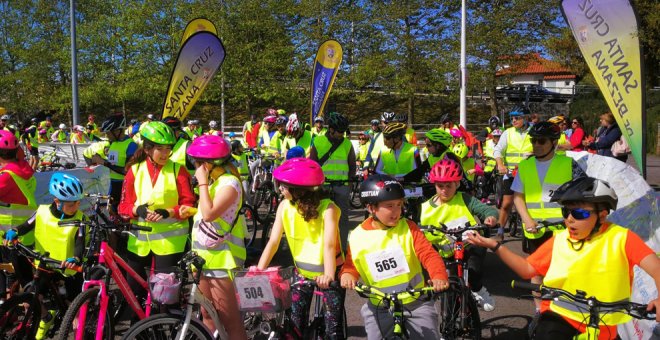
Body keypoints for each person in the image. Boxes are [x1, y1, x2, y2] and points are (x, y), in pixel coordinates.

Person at [466, 177, 660, 340]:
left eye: (579, 213)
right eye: (566, 212)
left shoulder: (622, 238)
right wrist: (495, 246)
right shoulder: (560, 239)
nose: (569, 219)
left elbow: (656, 268)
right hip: (561, 318)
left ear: (601, 215)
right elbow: (527, 269)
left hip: (603, 324)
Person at [340, 174, 449, 339]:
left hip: (415, 302)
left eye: (399, 205)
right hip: (380, 305)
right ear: (371, 208)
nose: (397, 211)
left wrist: (438, 275)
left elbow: (429, 255)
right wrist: (347, 274)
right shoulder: (357, 236)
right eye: (389, 206)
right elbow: (351, 264)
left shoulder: (408, 228)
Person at [258, 158, 345, 339]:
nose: (280, 189)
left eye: (284, 185)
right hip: (302, 272)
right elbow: (273, 241)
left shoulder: (328, 209)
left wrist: (329, 275)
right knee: (294, 323)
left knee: (332, 329)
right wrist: (259, 270)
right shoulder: (284, 206)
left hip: (331, 272)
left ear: (299, 190)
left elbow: (329, 244)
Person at [118, 121, 195, 305]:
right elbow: (123, 206)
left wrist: (168, 212)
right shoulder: (134, 170)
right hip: (139, 243)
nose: (166, 153)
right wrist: (138, 210)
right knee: (133, 294)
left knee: (165, 299)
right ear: (147, 148)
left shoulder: (178, 170)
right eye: (160, 148)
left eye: (168, 148)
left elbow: (190, 204)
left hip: (170, 244)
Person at [7, 173, 87, 339]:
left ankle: (79, 334)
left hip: (69, 267)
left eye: (79, 202)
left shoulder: (80, 219)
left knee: (75, 309)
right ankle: (45, 317)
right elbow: (25, 225)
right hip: (44, 264)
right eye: (72, 204)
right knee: (30, 299)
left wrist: (76, 258)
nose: (77, 207)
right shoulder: (42, 211)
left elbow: (80, 242)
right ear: (57, 202)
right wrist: (14, 231)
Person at [182, 135, 247, 339]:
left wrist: (201, 183)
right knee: (207, 316)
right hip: (203, 257)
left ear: (209, 163)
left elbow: (211, 213)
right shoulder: (215, 181)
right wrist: (192, 212)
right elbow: (212, 214)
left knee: (230, 320)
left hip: (223, 261)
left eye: (198, 162)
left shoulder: (230, 183)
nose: (195, 167)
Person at [420, 159, 498, 311]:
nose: (444, 190)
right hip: (445, 252)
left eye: (449, 185)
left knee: (473, 271)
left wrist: (491, 217)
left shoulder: (465, 199)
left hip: (470, 245)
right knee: (442, 282)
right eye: (440, 186)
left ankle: (478, 290)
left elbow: (487, 210)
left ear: (457, 183)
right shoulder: (424, 208)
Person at [309, 112, 356, 250]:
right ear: (331, 129)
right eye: (339, 132)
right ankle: (322, 249)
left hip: (342, 187)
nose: (342, 135)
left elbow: (352, 165)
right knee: (321, 218)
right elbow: (313, 165)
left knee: (342, 220)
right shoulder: (318, 142)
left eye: (343, 132)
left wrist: (350, 184)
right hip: (323, 187)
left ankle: (342, 250)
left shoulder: (347, 144)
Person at [0, 130, 37, 301]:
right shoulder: (24, 169)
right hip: (25, 232)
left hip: (10, 234)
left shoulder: (6, 177)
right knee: (20, 277)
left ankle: (35, 312)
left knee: (14, 276)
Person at [493, 106, 532, 237]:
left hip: (528, 173)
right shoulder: (508, 133)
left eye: (517, 118)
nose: (513, 120)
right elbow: (498, 150)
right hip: (511, 173)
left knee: (529, 202)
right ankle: (500, 229)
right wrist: (500, 164)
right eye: (512, 118)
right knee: (507, 203)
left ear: (526, 118)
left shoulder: (533, 131)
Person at [99, 115, 138, 209]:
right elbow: (113, 163)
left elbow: (127, 171)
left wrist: (104, 163)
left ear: (117, 131)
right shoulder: (114, 143)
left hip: (123, 185)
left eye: (108, 133)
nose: (107, 136)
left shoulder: (131, 145)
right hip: (112, 184)